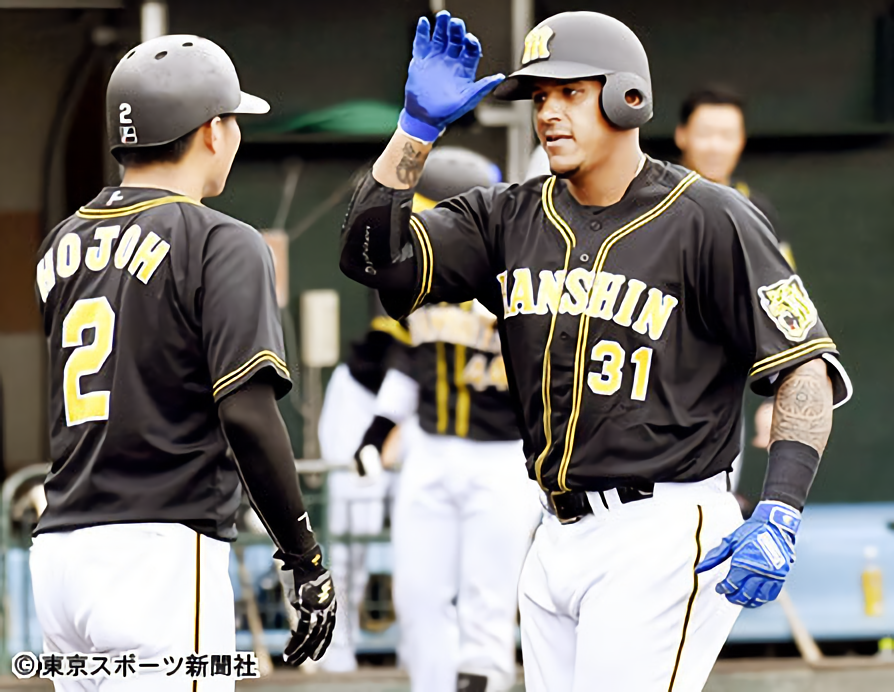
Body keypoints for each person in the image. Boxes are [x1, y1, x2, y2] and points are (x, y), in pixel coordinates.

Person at [339, 10, 852, 691]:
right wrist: (414, 133)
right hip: (553, 531)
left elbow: (804, 366)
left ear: (626, 97)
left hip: (662, 526)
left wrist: (781, 506)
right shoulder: (507, 215)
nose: (548, 113)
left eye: (570, 92)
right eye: (540, 97)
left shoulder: (710, 217)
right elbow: (374, 261)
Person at [31, 35, 334, 690]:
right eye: (233, 120)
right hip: (156, 555)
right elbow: (247, 414)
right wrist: (303, 556)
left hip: (60, 553)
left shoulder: (62, 241)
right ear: (211, 131)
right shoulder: (221, 240)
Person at [353, 147, 541, 692]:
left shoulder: (524, 270)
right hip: (431, 448)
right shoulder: (418, 280)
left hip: (503, 456)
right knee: (418, 595)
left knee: (488, 600)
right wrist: (376, 432)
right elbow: (408, 363)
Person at [314, 307, 405, 673]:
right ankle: (337, 646)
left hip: (393, 474)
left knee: (410, 564)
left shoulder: (401, 382)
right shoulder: (345, 377)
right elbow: (330, 434)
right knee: (345, 566)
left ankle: (409, 648)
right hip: (350, 479)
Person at [674, 85, 795, 267]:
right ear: (681, 135)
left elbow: (784, 278)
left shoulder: (757, 209)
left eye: (727, 135)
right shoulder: (657, 202)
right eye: (705, 133)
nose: (715, 147)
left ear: (741, 140)